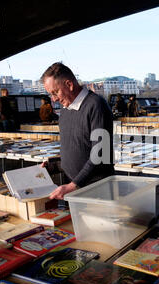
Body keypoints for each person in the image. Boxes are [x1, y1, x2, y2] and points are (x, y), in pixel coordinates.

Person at [41, 62, 114, 200]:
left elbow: (100, 154)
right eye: (50, 94)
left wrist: (73, 185)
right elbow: (75, 150)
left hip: (97, 191)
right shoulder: (65, 109)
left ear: (69, 84)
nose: (53, 99)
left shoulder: (96, 105)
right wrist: (52, 167)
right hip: (75, 189)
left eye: (55, 92)